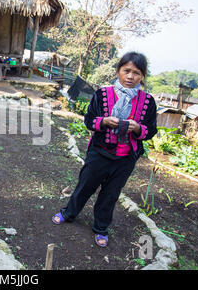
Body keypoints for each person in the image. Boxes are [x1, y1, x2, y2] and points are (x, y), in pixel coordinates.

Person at [51, 52, 158, 247]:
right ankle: (69, 213)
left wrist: (137, 128)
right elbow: (89, 120)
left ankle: (101, 228)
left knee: (111, 194)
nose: (130, 76)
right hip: (99, 152)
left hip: (126, 159)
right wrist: (104, 121)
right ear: (118, 71)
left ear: (142, 76)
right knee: (85, 186)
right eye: (126, 71)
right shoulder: (102, 94)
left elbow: (151, 130)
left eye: (136, 73)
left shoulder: (148, 102)